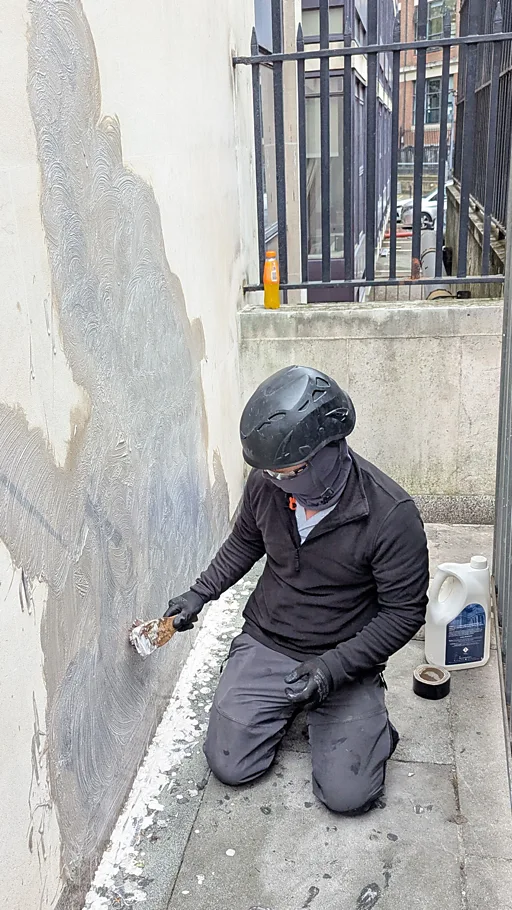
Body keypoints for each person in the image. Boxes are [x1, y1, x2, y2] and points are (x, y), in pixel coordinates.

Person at [165, 365, 429, 815]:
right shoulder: (266, 484)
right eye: (271, 472)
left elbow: (404, 614)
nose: (277, 481)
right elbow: (244, 543)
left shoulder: (391, 514)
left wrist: (332, 669)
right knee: (230, 765)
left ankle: (368, 727)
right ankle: (272, 698)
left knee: (348, 797)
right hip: (271, 637)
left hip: (345, 654)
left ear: (330, 449)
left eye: (290, 471)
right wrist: (199, 594)